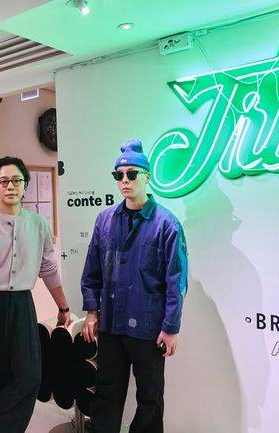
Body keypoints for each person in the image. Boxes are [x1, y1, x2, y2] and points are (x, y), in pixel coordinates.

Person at [0, 156, 72, 433]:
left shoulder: (39, 224)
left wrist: (63, 307)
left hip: (22, 305)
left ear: (25, 185)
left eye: (16, 180)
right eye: (3, 181)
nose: (10, 186)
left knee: (29, 376)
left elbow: (48, 268)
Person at [80, 139, 188, 433]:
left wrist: (170, 327)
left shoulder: (166, 224)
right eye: (119, 175)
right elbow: (92, 270)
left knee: (150, 396)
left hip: (149, 328)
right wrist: (92, 310)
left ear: (147, 177)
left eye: (131, 174)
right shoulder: (105, 220)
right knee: (106, 392)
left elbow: (176, 280)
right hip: (112, 325)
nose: (124, 181)